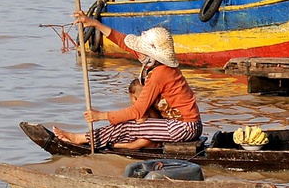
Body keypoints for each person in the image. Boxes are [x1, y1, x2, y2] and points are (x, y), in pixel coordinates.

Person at [53, 13, 202, 150]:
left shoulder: (160, 73)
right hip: (174, 123)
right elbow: (122, 41)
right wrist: (94, 23)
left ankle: (79, 138)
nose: (139, 53)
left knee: (127, 127)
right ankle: (142, 143)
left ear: (152, 55)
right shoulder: (154, 63)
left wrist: (100, 116)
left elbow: (136, 111)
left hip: (184, 128)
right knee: (131, 124)